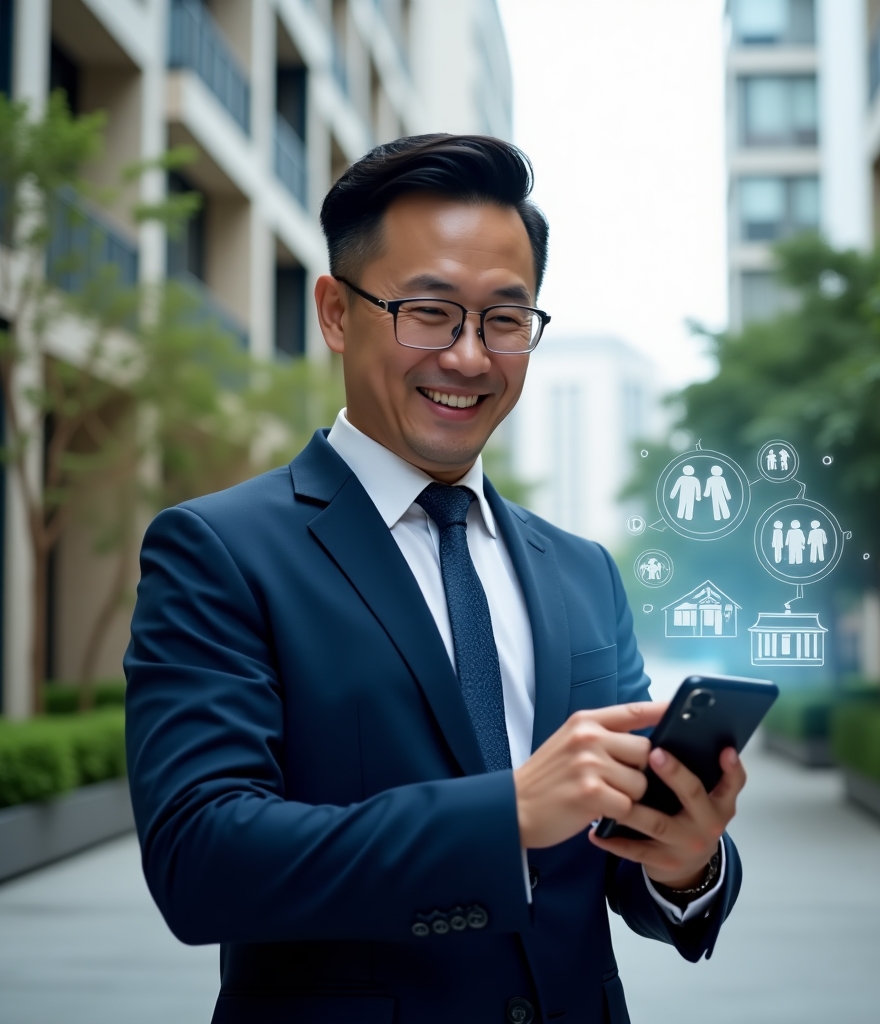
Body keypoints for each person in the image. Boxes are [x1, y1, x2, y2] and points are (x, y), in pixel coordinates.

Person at [124, 135, 745, 1024]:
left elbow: (609, 861)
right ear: (337, 313)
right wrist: (506, 816)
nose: (468, 357)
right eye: (429, 312)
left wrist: (685, 858)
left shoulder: (581, 572)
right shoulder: (217, 551)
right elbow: (201, 859)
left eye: (504, 319)